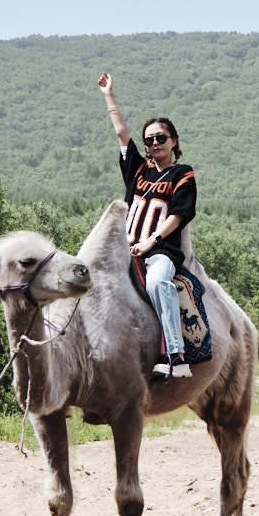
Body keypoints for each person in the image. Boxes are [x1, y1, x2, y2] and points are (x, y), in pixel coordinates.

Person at [97, 73, 196, 380]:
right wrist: (108, 95)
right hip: (125, 249)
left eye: (161, 138)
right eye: (150, 139)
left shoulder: (183, 173)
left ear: (174, 141)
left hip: (160, 251)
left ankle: (176, 355)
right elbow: (121, 133)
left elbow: (178, 215)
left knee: (156, 283)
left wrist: (151, 241)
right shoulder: (137, 170)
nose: (154, 143)